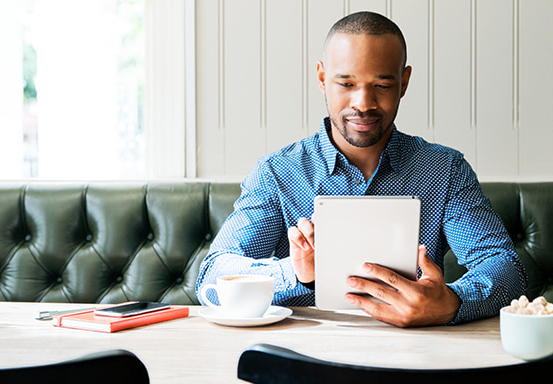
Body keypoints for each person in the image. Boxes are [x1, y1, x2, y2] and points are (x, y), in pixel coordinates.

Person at [196, 11, 527, 327]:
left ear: (404, 81)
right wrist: (296, 274)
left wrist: (453, 301)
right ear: (323, 78)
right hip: (306, 359)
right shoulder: (278, 172)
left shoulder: (445, 169)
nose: (363, 104)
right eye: (347, 84)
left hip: (417, 354)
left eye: (382, 86)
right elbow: (213, 274)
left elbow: (506, 269)